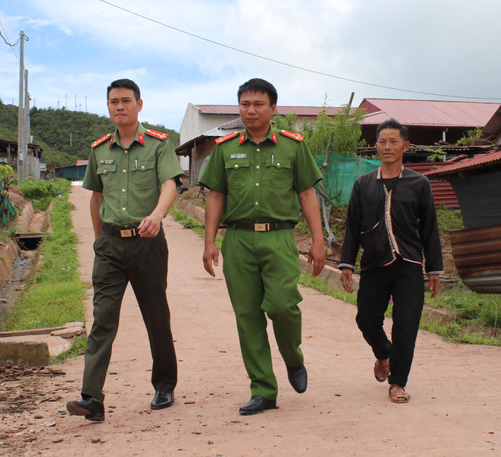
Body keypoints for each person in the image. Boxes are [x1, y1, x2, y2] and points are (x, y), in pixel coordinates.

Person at [198, 77, 326, 416]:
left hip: (279, 237)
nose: (251, 110)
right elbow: (216, 196)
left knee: (283, 306)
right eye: (245, 104)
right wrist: (210, 242)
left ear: (273, 108)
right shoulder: (224, 148)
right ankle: (263, 389)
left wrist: (318, 241)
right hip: (238, 240)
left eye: (258, 104)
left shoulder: (292, 146)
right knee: (248, 316)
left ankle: (293, 357)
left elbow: (307, 194)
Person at [66, 78, 183, 422]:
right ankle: (91, 397)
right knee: (102, 319)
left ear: (139, 105)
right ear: (108, 106)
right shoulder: (99, 150)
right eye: (113, 101)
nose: (120, 107)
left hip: (148, 243)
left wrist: (157, 215)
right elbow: (96, 197)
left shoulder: (159, 145)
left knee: (156, 316)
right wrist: (99, 240)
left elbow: (170, 184)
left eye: (126, 101)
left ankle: (164, 385)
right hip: (111, 246)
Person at [338, 118, 442, 404]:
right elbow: (352, 227)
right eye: (382, 141)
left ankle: (398, 382)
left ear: (405, 146)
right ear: (376, 146)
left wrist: (434, 268)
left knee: (406, 324)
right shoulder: (363, 185)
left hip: (408, 265)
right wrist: (347, 263)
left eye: (394, 141)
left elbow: (430, 228)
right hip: (374, 265)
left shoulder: (419, 184)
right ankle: (383, 352)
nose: (387, 146)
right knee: (366, 319)